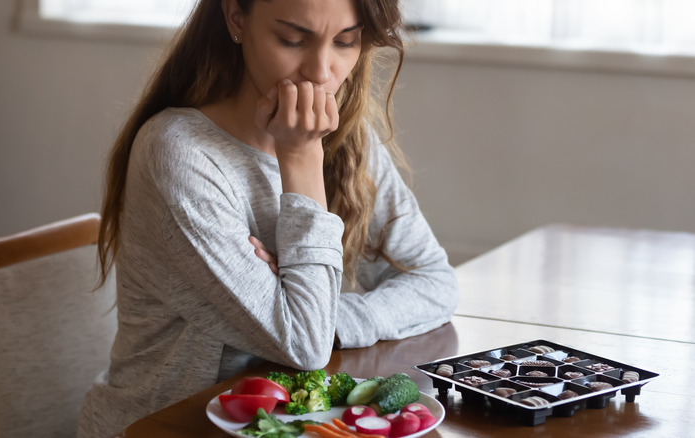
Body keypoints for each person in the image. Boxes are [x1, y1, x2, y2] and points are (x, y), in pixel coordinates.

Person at [78, 0, 458, 436]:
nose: (320, 72)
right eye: (293, 39)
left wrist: (321, 315)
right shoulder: (181, 153)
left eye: (345, 42)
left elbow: (434, 281)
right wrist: (299, 157)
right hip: (164, 426)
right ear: (236, 18)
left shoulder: (351, 139)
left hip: (286, 426)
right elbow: (303, 345)